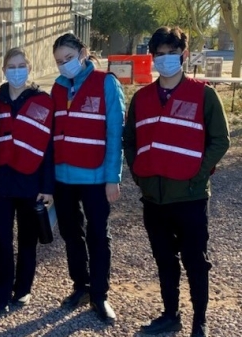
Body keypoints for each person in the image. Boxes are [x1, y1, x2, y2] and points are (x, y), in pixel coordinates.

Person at [124, 27, 230, 337]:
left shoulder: (203, 94)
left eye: (173, 53)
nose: (166, 59)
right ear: (152, 57)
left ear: (183, 55)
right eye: (160, 54)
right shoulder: (141, 98)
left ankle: (200, 320)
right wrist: (138, 174)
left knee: (195, 261)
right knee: (164, 261)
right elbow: (129, 140)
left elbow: (219, 141)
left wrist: (197, 176)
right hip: (154, 200)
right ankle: (171, 315)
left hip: (190, 198)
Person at [50, 33, 125, 323]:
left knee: (97, 234)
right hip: (63, 177)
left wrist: (112, 177)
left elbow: (115, 132)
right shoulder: (57, 89)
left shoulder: (106, 82)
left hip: (95, 177)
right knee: (71, 234)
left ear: (83, 52)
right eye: (59, 62)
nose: (64, 65)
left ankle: (100, 294)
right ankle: (80, 285)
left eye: (68, 58)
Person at [0, 47, 55, 314]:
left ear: (29, 68)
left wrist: (48, 187)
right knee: (2, 239)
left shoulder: (43, 101)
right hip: (1, 183)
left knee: (28, 239)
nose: (16, 71)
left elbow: (50, 148)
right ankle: (2, 291)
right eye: (11, 66)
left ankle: (23, 289)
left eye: (21, 65)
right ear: (3, 70)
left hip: (31, 182)